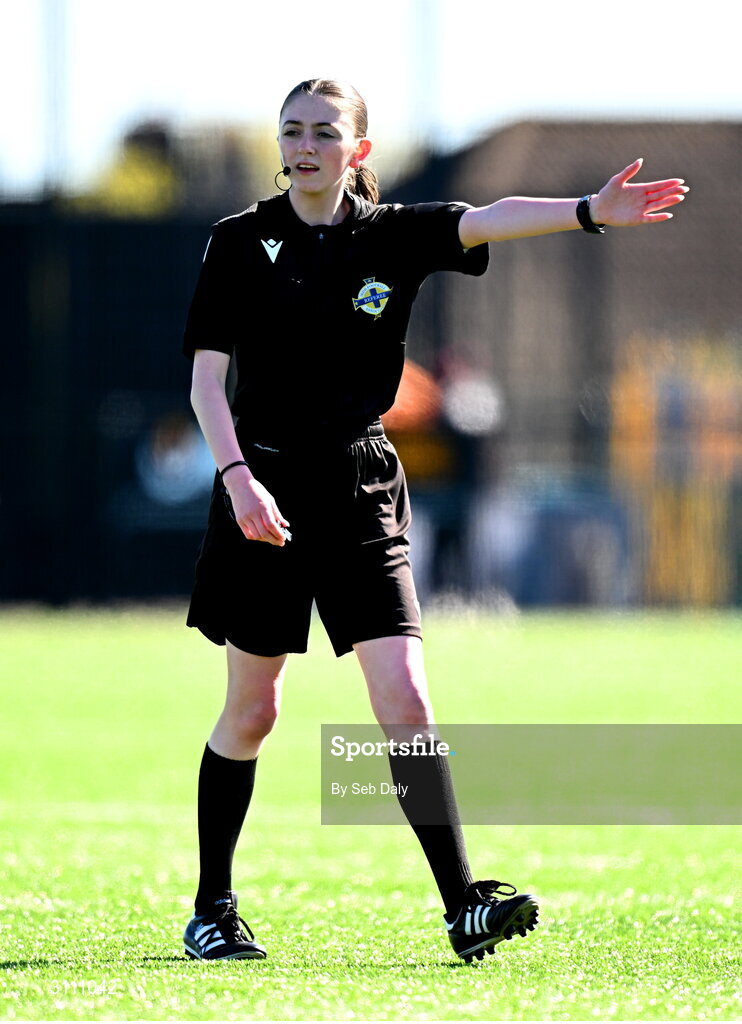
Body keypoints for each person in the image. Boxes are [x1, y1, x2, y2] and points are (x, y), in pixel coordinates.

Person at [180, 78, 688, 964]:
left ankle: (462, 904)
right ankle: (211, 907)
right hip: (261, 490)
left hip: (360, 489)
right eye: (292, 131)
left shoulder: (394, 235)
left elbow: (490, 219)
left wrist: (590, 211)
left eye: (324, 133)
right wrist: (237, 480)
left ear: (359, 152)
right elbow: (203, 384)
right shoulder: (237, 242)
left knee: (406, 698)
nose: (304, 146)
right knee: (253, 711)